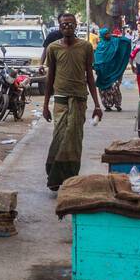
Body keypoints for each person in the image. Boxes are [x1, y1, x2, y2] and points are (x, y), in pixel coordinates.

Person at [42, 12, 101, 191]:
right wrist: (45, 105)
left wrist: (98, 105)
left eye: (70, 23)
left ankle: (68, 178)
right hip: (60, 98)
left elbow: (89, 75)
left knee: (73, 137)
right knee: (60, 136)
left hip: (79, 99)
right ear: (59, 27)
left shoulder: (85, 47)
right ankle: (53, 172)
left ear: (76, 25)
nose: (67, 27)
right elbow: (50, 76)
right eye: (63, 24)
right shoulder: (53, 48)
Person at [93, 27, 132, 113]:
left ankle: (118, 104)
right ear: (102, 35)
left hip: (115, 71)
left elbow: (126, 41)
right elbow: (96, 59)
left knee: (115, 87)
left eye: (108, 33)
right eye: (106, 34)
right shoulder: (100, 46)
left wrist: (118, 37)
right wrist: (96, 67)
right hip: (103, 73)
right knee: (104, 90)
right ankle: (107, 105)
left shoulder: (115, 41)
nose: (108, 35)